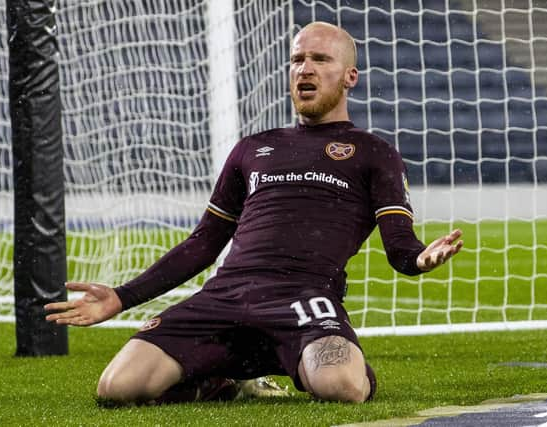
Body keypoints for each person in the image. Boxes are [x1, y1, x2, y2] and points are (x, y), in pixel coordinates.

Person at [45, 21, 463, 405]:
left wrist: (422, 259)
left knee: (344, 388)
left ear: (350, 76)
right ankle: (223, 381)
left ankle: (304, 361)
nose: (305, 69)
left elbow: (400, 249)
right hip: (226, 295)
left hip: (303, 296)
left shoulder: (374, 153)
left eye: (320, 59)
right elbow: (204, 243)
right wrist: (122, 297)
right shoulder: (253, 148)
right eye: (298, 59)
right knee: (117, 389)